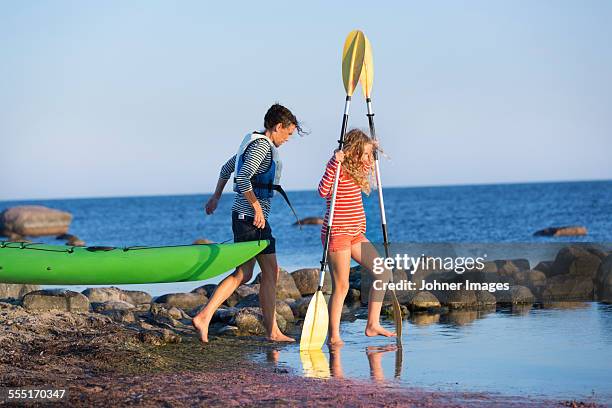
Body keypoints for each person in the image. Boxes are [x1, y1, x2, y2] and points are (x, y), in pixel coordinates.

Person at [192, 103, 303, 343]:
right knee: (264, 272)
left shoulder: (253, 144)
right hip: (250, 218)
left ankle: (205, 316)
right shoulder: (262, 146)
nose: (288, 139)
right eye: (288, 133)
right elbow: (241, 177)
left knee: (247, 273)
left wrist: (216, 196)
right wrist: (255, 207)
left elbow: (227, 168)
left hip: (248, 218)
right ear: (278, 127)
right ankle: (270, 331)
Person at [318, 129, 396, 347]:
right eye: (365, 153)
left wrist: (374, 147)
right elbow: (322, 191)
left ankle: (372, 324)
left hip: (355, 233)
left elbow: (371, 165)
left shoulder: (359, 168)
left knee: (383, 272)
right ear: (353, 151)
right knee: (341, 287)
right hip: (337, 234)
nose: (369, 159)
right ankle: (333, 335)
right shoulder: (337, 167)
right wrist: (334, 163)